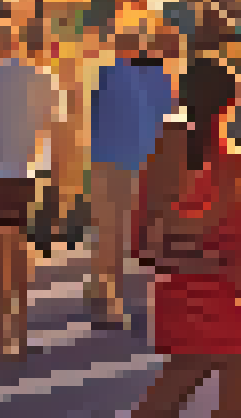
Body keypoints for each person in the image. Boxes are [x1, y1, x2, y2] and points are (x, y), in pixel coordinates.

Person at [128, 55, 241, 418]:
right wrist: (211, 259)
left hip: (187, 289)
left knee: (191, 378)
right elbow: (168, 231)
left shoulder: (173, 147)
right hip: (208, 289)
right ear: (230, 103)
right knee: (230, 373)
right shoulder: (226, 161)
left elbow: (146, 240)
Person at [0, 22, 64, 361]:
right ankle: (20, 334)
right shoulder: (42, 79)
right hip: (27, 173)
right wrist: (57, 181)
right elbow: (55, 132)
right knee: (21, 254)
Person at [89, 29, 175, 329]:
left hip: (108, 163)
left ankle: (107, 298)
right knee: (136, 235)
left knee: (109, 235)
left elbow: (91, 116)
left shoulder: (107, 74)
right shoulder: (157, 78)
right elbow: (167, 121)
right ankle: (129, 302)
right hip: (138, 164)